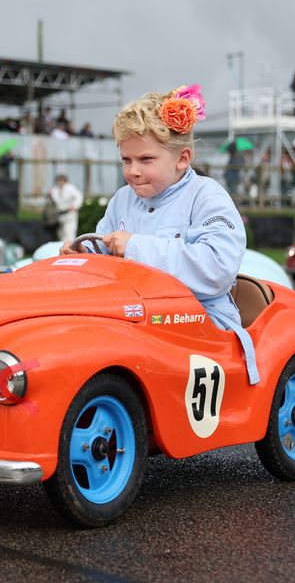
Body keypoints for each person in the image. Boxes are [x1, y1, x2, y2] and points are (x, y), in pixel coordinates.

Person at [60, 84, 259, 385]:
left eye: (146, 160)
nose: (133, 171)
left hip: (201, 320)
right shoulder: (122, 200)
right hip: (135, 315)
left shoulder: (207, 197)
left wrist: (135, 247)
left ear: (182, 158)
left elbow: (217, 268)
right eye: (126, 160)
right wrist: (83, 258)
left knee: (125, 352)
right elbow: (103, 251)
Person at [49, 173, 84, 243]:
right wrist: (50, 196)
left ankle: (70, 250)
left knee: (69, 233)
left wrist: (75, 206)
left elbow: (79, 196)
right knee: (61, 234)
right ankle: (63, 249)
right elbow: (54, 202)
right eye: (59, 180)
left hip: (70, 213)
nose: (60, 182)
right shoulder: (55, 190)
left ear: (65, 181)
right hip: (60, 214)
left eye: (62, 180)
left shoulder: (70, 188)